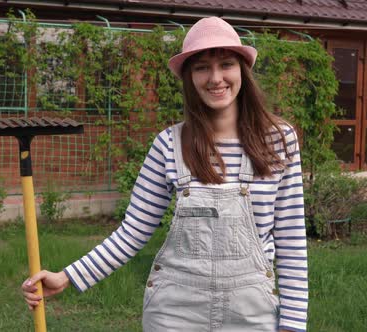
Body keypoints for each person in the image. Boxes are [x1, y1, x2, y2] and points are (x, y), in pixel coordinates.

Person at [22, 16, 307, 332]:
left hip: (252, 314)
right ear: (189, 77)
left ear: (242, 70)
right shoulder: (168, 146)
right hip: (175, 313)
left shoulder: (279, 140)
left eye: (226, 64)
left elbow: (291, 240)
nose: (216, 78)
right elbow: (133, 232)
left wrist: (293, 323)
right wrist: (67, 276)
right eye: (201, 67)